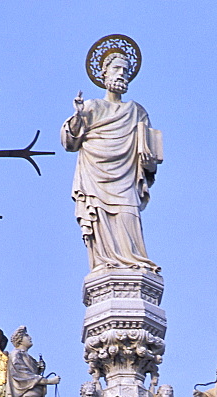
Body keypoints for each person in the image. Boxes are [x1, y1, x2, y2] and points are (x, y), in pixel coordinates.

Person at [61, 50, 161, 273]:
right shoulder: (91, 107)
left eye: (125, 70)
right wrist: (77, 116)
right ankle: (103, 263)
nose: (122, 73)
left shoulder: (137, 112)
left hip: (126, 182)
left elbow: (151, 165)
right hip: (95, 179)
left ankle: (132, 263)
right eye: (117, 68)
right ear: (104, 73)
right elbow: (69, 143)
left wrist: (148, 161)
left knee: (129, 222)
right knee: (100, 230)